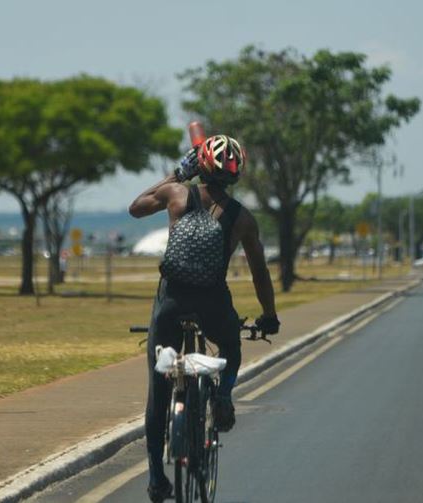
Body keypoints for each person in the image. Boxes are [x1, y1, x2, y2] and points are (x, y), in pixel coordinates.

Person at [129, 134, 280, 502]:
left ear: (201, 166)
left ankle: (155, 479)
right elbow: (260, 272)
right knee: (229, 343)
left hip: (171, 301)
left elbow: (136, 208)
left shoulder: (177, 194)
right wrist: (269, 316)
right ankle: (223, 395)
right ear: (236, 174)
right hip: (213, 303)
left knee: (158, 388)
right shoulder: (242, 218)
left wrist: (176, 173)